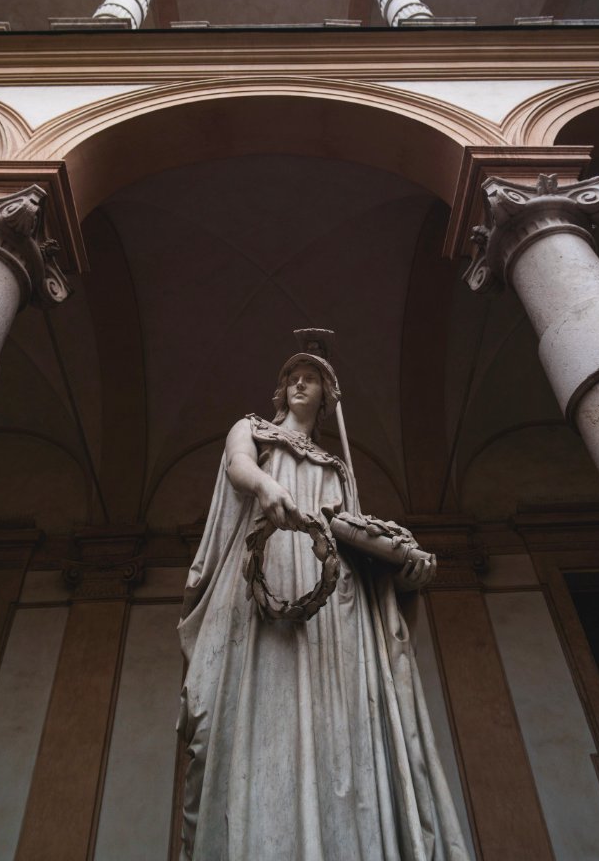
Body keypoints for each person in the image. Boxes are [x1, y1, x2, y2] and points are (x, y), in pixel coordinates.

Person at [177, 350, 470, 861]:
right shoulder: (252, 429)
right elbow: (238, 465)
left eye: (310, 378)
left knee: (341, 722)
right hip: (265, 579)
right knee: (253, 714)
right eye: (292, 376)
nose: (298, 383)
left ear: (327, 396)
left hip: (335, 607)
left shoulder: (338, 467)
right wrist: (268, 485)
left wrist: (403, 575)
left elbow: (356, 542)